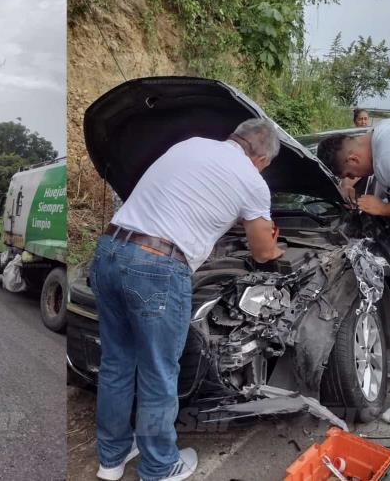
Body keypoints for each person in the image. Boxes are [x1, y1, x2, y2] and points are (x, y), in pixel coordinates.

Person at [90, 119, 284, 481]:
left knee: (116, 364)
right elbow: (261, 252)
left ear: (235, 137)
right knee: (158, 372)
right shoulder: (253, 182)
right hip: (158, 267)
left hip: (110, 251)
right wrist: (276, 247)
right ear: (262, 159)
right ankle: (160, 466)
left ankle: (111, 461)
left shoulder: (190, 143)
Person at [317, 118, 390, 425]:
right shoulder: (381, 132)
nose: (353, 178)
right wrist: (347, 180)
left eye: (351, 172)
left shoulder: (389, 157)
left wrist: (382, 209)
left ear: (354, 158)